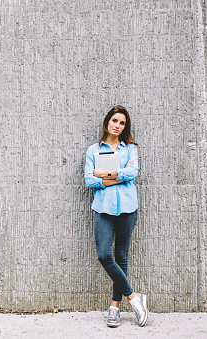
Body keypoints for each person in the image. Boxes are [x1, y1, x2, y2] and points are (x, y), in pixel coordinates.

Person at [84, 105, 149, 327]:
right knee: (104, 255)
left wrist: (105, 174)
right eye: (114, 121)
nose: (117, 125)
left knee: (121, 256)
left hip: (128, 208)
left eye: (122, 123)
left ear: (124, 127)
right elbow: (89, 180)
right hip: (103, 208)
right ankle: (134, 298)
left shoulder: (130, 149)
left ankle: (114, 307)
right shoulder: (94, 150)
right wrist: (121, 176)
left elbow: (132, 174)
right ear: (107, 122)